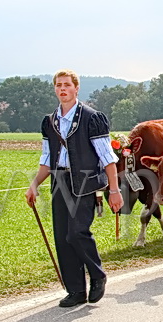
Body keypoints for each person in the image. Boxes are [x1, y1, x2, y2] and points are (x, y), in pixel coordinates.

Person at [25, 70, 123, 307]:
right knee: (63, 238)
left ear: (76, 88)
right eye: (58, 85)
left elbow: (107, 157)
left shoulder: (92, 118)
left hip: (85, 182)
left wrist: (114, 189)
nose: (62, 89)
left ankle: (97, 274)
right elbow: (47, 158)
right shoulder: (49, 122)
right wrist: (34, 184)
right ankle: (76, 291)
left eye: (67, 85)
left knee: (76, 233)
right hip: (59, 182)